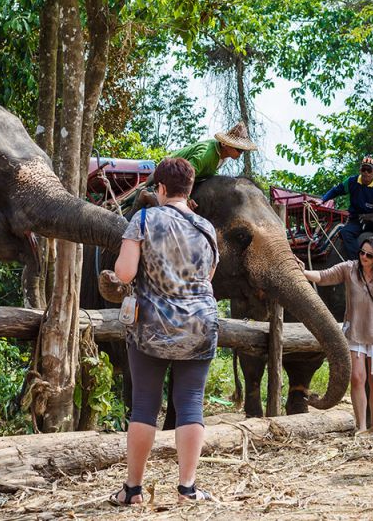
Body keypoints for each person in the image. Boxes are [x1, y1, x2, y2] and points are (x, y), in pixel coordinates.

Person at [106, 156, 219, 505]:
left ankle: (133, 490)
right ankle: (187, 489)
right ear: (188, 189)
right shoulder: (206, 227)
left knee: (144, 405)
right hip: (200, 323)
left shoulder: (142, 219)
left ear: (160, 188)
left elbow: (124, 274)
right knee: (191, 404)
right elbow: (208, 277)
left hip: (152, 325)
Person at [302, 237, 373, 433]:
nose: (364, 257)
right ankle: (361, 426)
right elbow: (323, 276)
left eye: (369, 255)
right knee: (356, 378)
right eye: (362, 252)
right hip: (354, 332)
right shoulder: (349, 269)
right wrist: (302, 272)